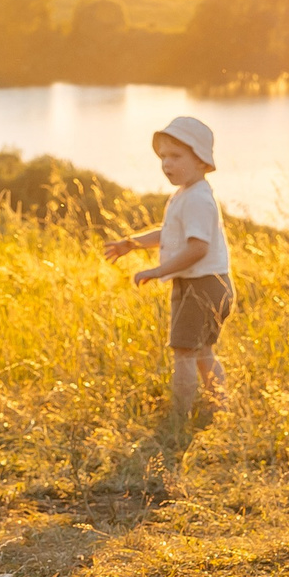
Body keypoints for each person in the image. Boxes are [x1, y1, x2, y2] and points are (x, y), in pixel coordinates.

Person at [106, 115, 234, 431]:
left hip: (200, 285)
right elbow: (170, 232)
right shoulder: (187, 195)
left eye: (176, 157)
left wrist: (158, 270)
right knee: (202, 350)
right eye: (163, 157)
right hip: (209, 283)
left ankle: (178, 418)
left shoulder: (199, 199)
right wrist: (132, 244)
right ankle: (220, 406)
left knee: (184, 353)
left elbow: (197, 248)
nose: (166, 164)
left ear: (202, 161)